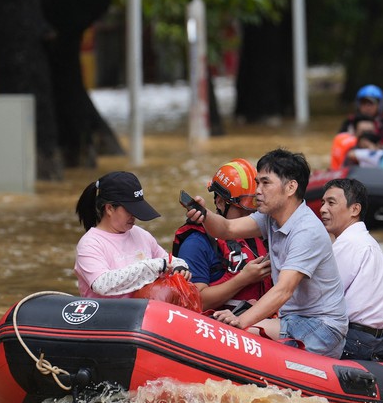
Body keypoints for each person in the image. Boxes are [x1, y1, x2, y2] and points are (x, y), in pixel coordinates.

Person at [184, 148, 348, 358]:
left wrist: (240, 320)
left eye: (265, 183)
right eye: (257, 183)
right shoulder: (270, 217)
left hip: (322, 327)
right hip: (292, 319)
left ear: (290, 187)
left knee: (233, 335)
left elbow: (283, 290)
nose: (258, 191)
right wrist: (204, 214)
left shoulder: (307, 231)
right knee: (224, 332)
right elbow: (227, 229)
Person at [319, 178, 383, 361]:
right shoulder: (374, 248)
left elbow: (320, 299)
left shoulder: (348, 244)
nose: (323, 209)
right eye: (322, 203)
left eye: (331, 203)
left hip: (351, 340)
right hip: (378, 343)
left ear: (355, 209)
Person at [172, 159, 272, 311]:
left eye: (255, 210)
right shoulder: (196, 243)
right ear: (220, 202)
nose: (250, 217)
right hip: (219, 321)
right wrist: (243, 279)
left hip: (262, 316)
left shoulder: (261, 232)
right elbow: (195, 302)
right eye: (243, 210)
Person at [74, 171, 190, 299]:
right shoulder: (90, 244)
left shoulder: (141, 234)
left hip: (147, 308)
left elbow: (167, 260)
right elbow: (101, 284)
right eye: (129, 210)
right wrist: (148, 267)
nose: (134, 215)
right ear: (109, 208)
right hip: (107, 311)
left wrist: (180, 266)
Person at [338, 84, 383, 151]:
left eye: (371, 104)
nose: (367, 107)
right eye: (363, 103)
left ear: (379, 105)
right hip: (355, 158)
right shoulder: (351, 122)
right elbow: (340, 143)